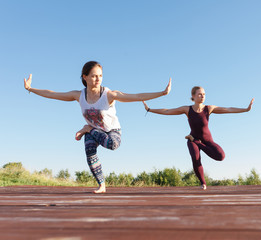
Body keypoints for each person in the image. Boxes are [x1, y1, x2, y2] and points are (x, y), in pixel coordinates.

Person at [24, 61, 171, 193]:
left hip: (112, 131)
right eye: (94, 76)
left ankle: (87, 129)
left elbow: (137, 96)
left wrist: (162, 93)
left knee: (112, 145)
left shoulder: (109, 95)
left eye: (100, 76)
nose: (98, 79)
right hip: (94, 131)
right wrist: (30, 88)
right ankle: (102, 185)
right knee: (89, 151)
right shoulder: (78, 95)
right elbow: (53, 94)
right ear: (85, 77)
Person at [142, 86, 253, 190]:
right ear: (193, 96)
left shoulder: (209, 108)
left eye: (204, 94)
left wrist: (245, 109)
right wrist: (149, 109)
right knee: (195, 158)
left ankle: (197, 142)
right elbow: (167, 111)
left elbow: (228, 109)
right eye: (200, 94)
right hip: (192, 140)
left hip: (206, 141)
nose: (203, 96)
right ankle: (203, 183)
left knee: (221, 156)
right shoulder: (187, 109)